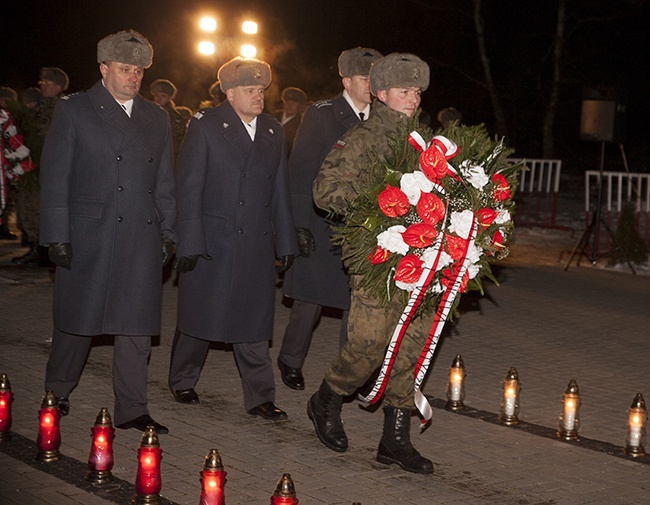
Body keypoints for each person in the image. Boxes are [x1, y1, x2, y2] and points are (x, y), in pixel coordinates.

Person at [39, 30, 176, 434]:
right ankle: (57, 391)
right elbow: (56, 175)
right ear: (104, 69)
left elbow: (165, 180)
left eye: (138, 70)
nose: (133, 77)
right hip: (89, 233)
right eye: (124, 69)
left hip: (140, 232)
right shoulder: (76, 109)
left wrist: (170, 231)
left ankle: (132, 408)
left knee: (136, 327)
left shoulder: (156, 115)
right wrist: (56, 233)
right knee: (76, 322)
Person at [309, 53, 434, 474]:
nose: (413, 97)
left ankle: (394, 440)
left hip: (422, 258)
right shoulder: (361, 139)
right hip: (376, 257)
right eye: (405, 90)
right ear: (381, 94)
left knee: (410, 346)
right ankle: (327, 397)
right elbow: (325, 192)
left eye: (417, 90)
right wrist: (378, 209)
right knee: (368, 344)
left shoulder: (429, 143)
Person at [169, 57, 298, 420]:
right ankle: (182, 378)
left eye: (261, 90)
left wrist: (286, 242)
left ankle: (260, 396)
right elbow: (189, 187)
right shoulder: (207, 126)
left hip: (256, 243)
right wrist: (189, 242)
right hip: (214, 242)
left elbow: (280, 191)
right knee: (199, 320)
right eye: (250, 91)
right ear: (229, 93)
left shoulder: (273, 130)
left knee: (254, 324)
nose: (258, 97)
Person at [278, 47, 382, 391]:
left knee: (358, 306)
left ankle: (350, 372)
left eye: (373, 78)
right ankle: (290, 360)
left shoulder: (382, 116)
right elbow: (301, 172)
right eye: (363, 78)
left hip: (362, 228)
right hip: (321, 223)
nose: (369, 84)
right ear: (346, 80)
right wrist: (298, 226)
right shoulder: (321, 115)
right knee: (309, 303)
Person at [13, 67, 69, 266]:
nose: (42, 86)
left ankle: (47, 251)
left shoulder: (64, 108)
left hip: (55, 168)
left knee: (47, 209)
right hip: (33, 166)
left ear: (57, 87)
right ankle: (38, 247)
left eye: (45, 83)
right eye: (42, 83)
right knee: (29, 207)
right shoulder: (37, 106)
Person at [149, 79, 187, 163]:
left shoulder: (175, 117)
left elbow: (179, 143)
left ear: (170, 97)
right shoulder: (147, 113)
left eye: (163, 96)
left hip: (168, 160)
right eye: (156, 95)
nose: (158, 99)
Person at [274, 87, 308, 158]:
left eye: (294, 103)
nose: (289, 106)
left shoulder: (301, 124)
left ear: (300, 106)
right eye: (287, 102)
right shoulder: (273, 117)